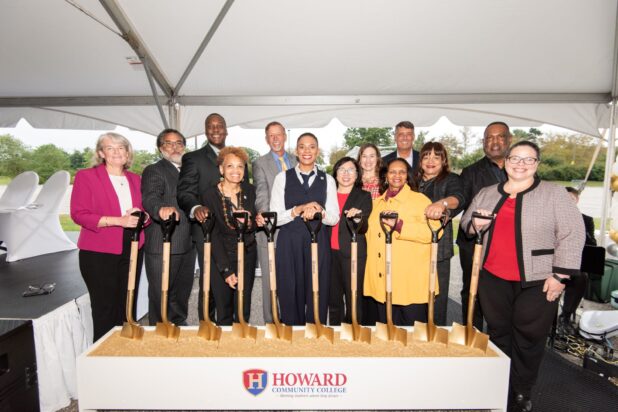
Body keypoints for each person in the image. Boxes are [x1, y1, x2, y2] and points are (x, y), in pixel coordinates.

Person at [461, 141, 584, 412]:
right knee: (499, 334)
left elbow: (573, 234)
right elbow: (467, 225)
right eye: (515, 158)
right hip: (492, 277)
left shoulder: (553, 194)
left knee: (528, 337)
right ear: (505, 162)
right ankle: (500, 385)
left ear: (537, 164)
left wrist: (560, 276)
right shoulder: (487, 192)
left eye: (528, 160)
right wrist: (475, 224)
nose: (521, 164)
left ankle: (521, 390)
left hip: (539, 280)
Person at [70, 132, 148, 341]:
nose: (116, 152)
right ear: (100, 153)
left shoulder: (135, 179)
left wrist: (143, 216)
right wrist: (118, 220)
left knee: (127, 304)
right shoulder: (86, 176)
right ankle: (103, 356)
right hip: (99, 250)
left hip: (132, 246)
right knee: (105, 308)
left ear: (127, 152)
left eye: (121, 148)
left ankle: (123, 353)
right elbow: (79, 214)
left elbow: (144, 212)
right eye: (110, 148)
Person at [177, 113, 248, 321]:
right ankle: (207, 325)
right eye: (211, 126)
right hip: (208, 232)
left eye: (220, 126)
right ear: (205, 130)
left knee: (236, 281)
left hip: (236, 235)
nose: (215, 129)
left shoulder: (239, 158)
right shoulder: (193, 158)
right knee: (211, 282)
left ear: (226, 130)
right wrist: (196, 206)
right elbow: (184, 192)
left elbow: (245, 190)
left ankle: (235, 325)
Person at [270, 133, 339, 325]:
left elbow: (334, 218)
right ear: (296, 151)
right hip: (289, 243)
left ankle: (315, 335)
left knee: (317, 291)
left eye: (311, 147)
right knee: (290, 292)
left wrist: (319, 211)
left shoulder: (328, 180)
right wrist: (297, 209)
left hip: (319, 242)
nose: (306, 151)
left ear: (317, 150)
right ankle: (292, 339)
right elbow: (274, 217)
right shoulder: (282, 178)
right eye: (302, 146)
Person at [364, 158, 435, 325]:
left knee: (412, 337)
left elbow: (431, 234)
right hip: (383, 282)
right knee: (387, 336)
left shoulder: (420, 200)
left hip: (410, 282)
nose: (397, 175)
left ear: (407, 176)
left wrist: (399, 226)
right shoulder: (376, 204)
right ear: (386, 176)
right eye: (392, 172)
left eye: (402, 172)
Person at [457, 121, 512, 330]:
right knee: (473, 292)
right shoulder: (471, 172)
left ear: (509, 140)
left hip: (507, 244)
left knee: (501, 294)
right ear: (483, 143)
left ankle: (499, 340)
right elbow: (460, 199)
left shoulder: (519, 168)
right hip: (474, 244)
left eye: (499, 137)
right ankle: (472, 334)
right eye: (489, 138)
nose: (494, 142)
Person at [141, 129, 195, 326]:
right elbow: (150, 196)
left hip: (188, 242)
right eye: (169, 143)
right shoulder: (155, 170)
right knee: (161, 294)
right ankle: (159, 332)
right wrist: (160, 208)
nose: (174, 147)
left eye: (179, 143)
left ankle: (179, 327)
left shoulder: (189, 171)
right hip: (164, 240)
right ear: (160, 147)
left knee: (182, 292)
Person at [201, 147, 258, 325]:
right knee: (224, 308)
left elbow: (256, 221)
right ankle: (224, 349)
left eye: (240, 166)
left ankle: (241, 345)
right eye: (230, 166)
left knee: (243, 305)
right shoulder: (210, 195)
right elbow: (213, 234)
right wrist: (226, 270)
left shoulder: (250, 190)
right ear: (221, 169)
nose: (235, 171)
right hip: (221, 256)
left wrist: (249, 223)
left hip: (247, 254)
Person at [413, 142, 464, 326]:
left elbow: (458, 198)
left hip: (438, 248)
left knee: (437, 297)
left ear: (443, 160)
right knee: (415, 296)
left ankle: (436, 335)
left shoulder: (451, 179)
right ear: (420, 161)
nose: (431, 161)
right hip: (413, 249)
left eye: (436, 157)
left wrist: (441, 204)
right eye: (426, 156)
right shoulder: (413, 181)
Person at [252, 121, 297, 324]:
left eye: (279, 135)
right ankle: (272, 323)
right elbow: (261, 191)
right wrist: (263, 213)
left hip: (295, 230)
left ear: (285, 137)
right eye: (271, 135)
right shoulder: (260, 163)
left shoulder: (298, 160)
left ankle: (292, 321)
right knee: (271, 281)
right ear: (266, 139)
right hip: (271, 230)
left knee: (293, 279)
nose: (276, 139)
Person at [328, 157, 372, 325]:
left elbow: (364, 227)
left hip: (354, 254)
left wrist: (358, 218)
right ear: (336, 173)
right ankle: (336, 333)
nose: (346, 174)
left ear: (357, 175)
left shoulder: (363, 196)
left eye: (351, 170)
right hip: (329, 253)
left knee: (354, 297)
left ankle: (354, 333)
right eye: (342, 170)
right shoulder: (327, 194)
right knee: (333, 300)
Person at [560, 186, 597, 333]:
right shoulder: (550, 216)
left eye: (571, 199)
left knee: (581, 278)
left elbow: (592, 244)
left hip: (572, 263)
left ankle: (566, 317)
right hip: (549, 264)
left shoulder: (586, 220)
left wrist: (581, 227)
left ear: (577, 200)